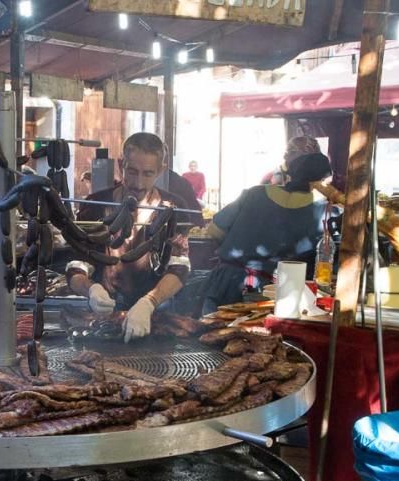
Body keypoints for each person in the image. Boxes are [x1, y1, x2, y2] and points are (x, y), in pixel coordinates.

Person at [73, 132, 192, 342]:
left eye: (147, 174)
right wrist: (91, 289)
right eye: (132, 171)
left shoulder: (174, 208)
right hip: (104, 315)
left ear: (160, 171)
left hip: (157, 314)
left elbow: (179, 267)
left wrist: (149, 303)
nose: (138, 183)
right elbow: (76, 265)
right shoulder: (95, 205)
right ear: (121, 164)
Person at [202, 153, 333, 314]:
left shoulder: (254, 193)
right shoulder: (325, 212)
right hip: (274, 295)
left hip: (224, 283)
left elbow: (214, 230)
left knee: (210, 333)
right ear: (323, 182)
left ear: (290, 175)